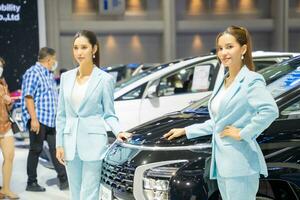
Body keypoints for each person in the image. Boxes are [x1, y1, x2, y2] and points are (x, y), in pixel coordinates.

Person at [164, 26, 279, 200]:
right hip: (224, 164)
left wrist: (243, 133)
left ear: (244, 49)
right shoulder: (224, 81)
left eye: (229, 47)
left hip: (241, 163)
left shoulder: (251, 80)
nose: (223, 52)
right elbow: (218, 122)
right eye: (220, 48)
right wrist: (187, 131)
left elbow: (270, 110)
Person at [55, 30, 132, 200]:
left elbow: (109, 114)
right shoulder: (66, 78)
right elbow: (61, 115)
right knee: (75, 193)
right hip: (69, 143)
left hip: (93, 143)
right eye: (76, 48)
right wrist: (59, 143)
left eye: (84, 47)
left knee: (89, 194)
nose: (79, 52)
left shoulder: (104, 79)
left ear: (94, 49)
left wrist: (119, 131)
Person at [21, 47, 68, 192]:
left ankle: (64, 180)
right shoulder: (33, 73)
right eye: (54, 59)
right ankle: (31, 182)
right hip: (39, 119)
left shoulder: (48, 74)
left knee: (56, 149)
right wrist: (33, 119)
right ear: (49, 59)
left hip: (50, 120)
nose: (55, 62)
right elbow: (29, 97)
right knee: (36, 150)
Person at [0, 57, 19, 199]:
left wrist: (9, 101)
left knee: (10, 156)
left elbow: (9, 107)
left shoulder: (3, 83)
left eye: (1, 66)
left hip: (5, 125)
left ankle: (6, 189)